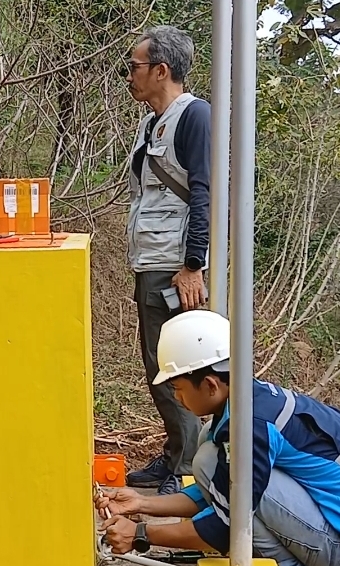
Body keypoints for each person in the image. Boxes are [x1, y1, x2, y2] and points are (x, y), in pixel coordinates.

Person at [96, 310, 340, 566]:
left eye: (178, 388)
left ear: (210, 384)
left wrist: (140, 533)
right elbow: (217, 491)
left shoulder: (250, 429)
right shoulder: (246, 403)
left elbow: (228, 527)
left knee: (240, 489)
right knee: (213, 460)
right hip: (337, 527)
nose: (177, 397)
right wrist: (143, 503)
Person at [123, 25, 212, 495]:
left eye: (135, 67)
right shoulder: (151, 122)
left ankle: (189, 476)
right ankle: (178, 455)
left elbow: (206, 192)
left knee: (181, 370)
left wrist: (193, 264)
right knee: (161, 367)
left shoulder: (194, 117)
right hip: (153, 261)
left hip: (177, 269)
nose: (130, 76)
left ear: (161, 70)